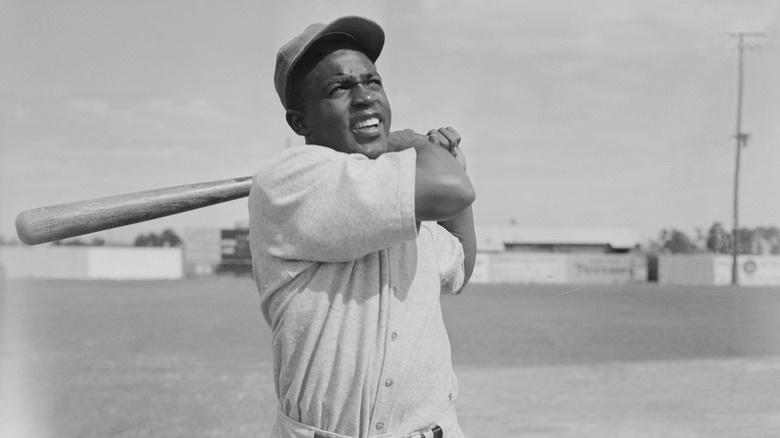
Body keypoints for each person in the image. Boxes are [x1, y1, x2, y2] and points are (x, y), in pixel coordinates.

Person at [248, 16, 476, 438]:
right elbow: (451, 188)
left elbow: (459, 265)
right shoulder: (291, 179)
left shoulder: (398, 180)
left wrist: (444, 166)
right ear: (300, 123)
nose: (364, 97)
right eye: (339, 88)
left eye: (372, 81)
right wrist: (418, 145)